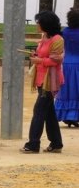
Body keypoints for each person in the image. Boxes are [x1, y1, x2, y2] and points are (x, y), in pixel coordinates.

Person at [21, 10, 65, 153]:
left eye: (39, 22)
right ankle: (56, 143)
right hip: (41, 78)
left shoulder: (58, 39)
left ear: (46, 24)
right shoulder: (44, 36)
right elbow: (44, 54)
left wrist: (39, 60)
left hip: (50, 80)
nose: (37, 25)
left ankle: (33, 144)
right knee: (49, 112)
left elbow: (56, 60)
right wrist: (36, 55)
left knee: (39, 110)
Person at [55, 8, 79, 127]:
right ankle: (75, 116)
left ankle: (67, 116)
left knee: (66, 90)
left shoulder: (65, 32)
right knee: (76, 90)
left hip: (66, 64)